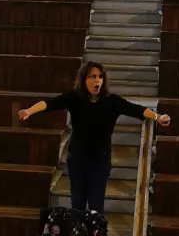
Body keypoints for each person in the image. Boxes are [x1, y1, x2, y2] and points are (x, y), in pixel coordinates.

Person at [17, 61, 170, 214]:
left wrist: (158, 117)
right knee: (77, 204)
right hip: (77, 159)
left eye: (100, 77)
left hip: (100, 160)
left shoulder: (112, 101)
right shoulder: (74, 98)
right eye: (93, 77)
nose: (97, 80)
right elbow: (49, 103)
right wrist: (29, 111)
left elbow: (137, 109)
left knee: (96, 205)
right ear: (84, 80)